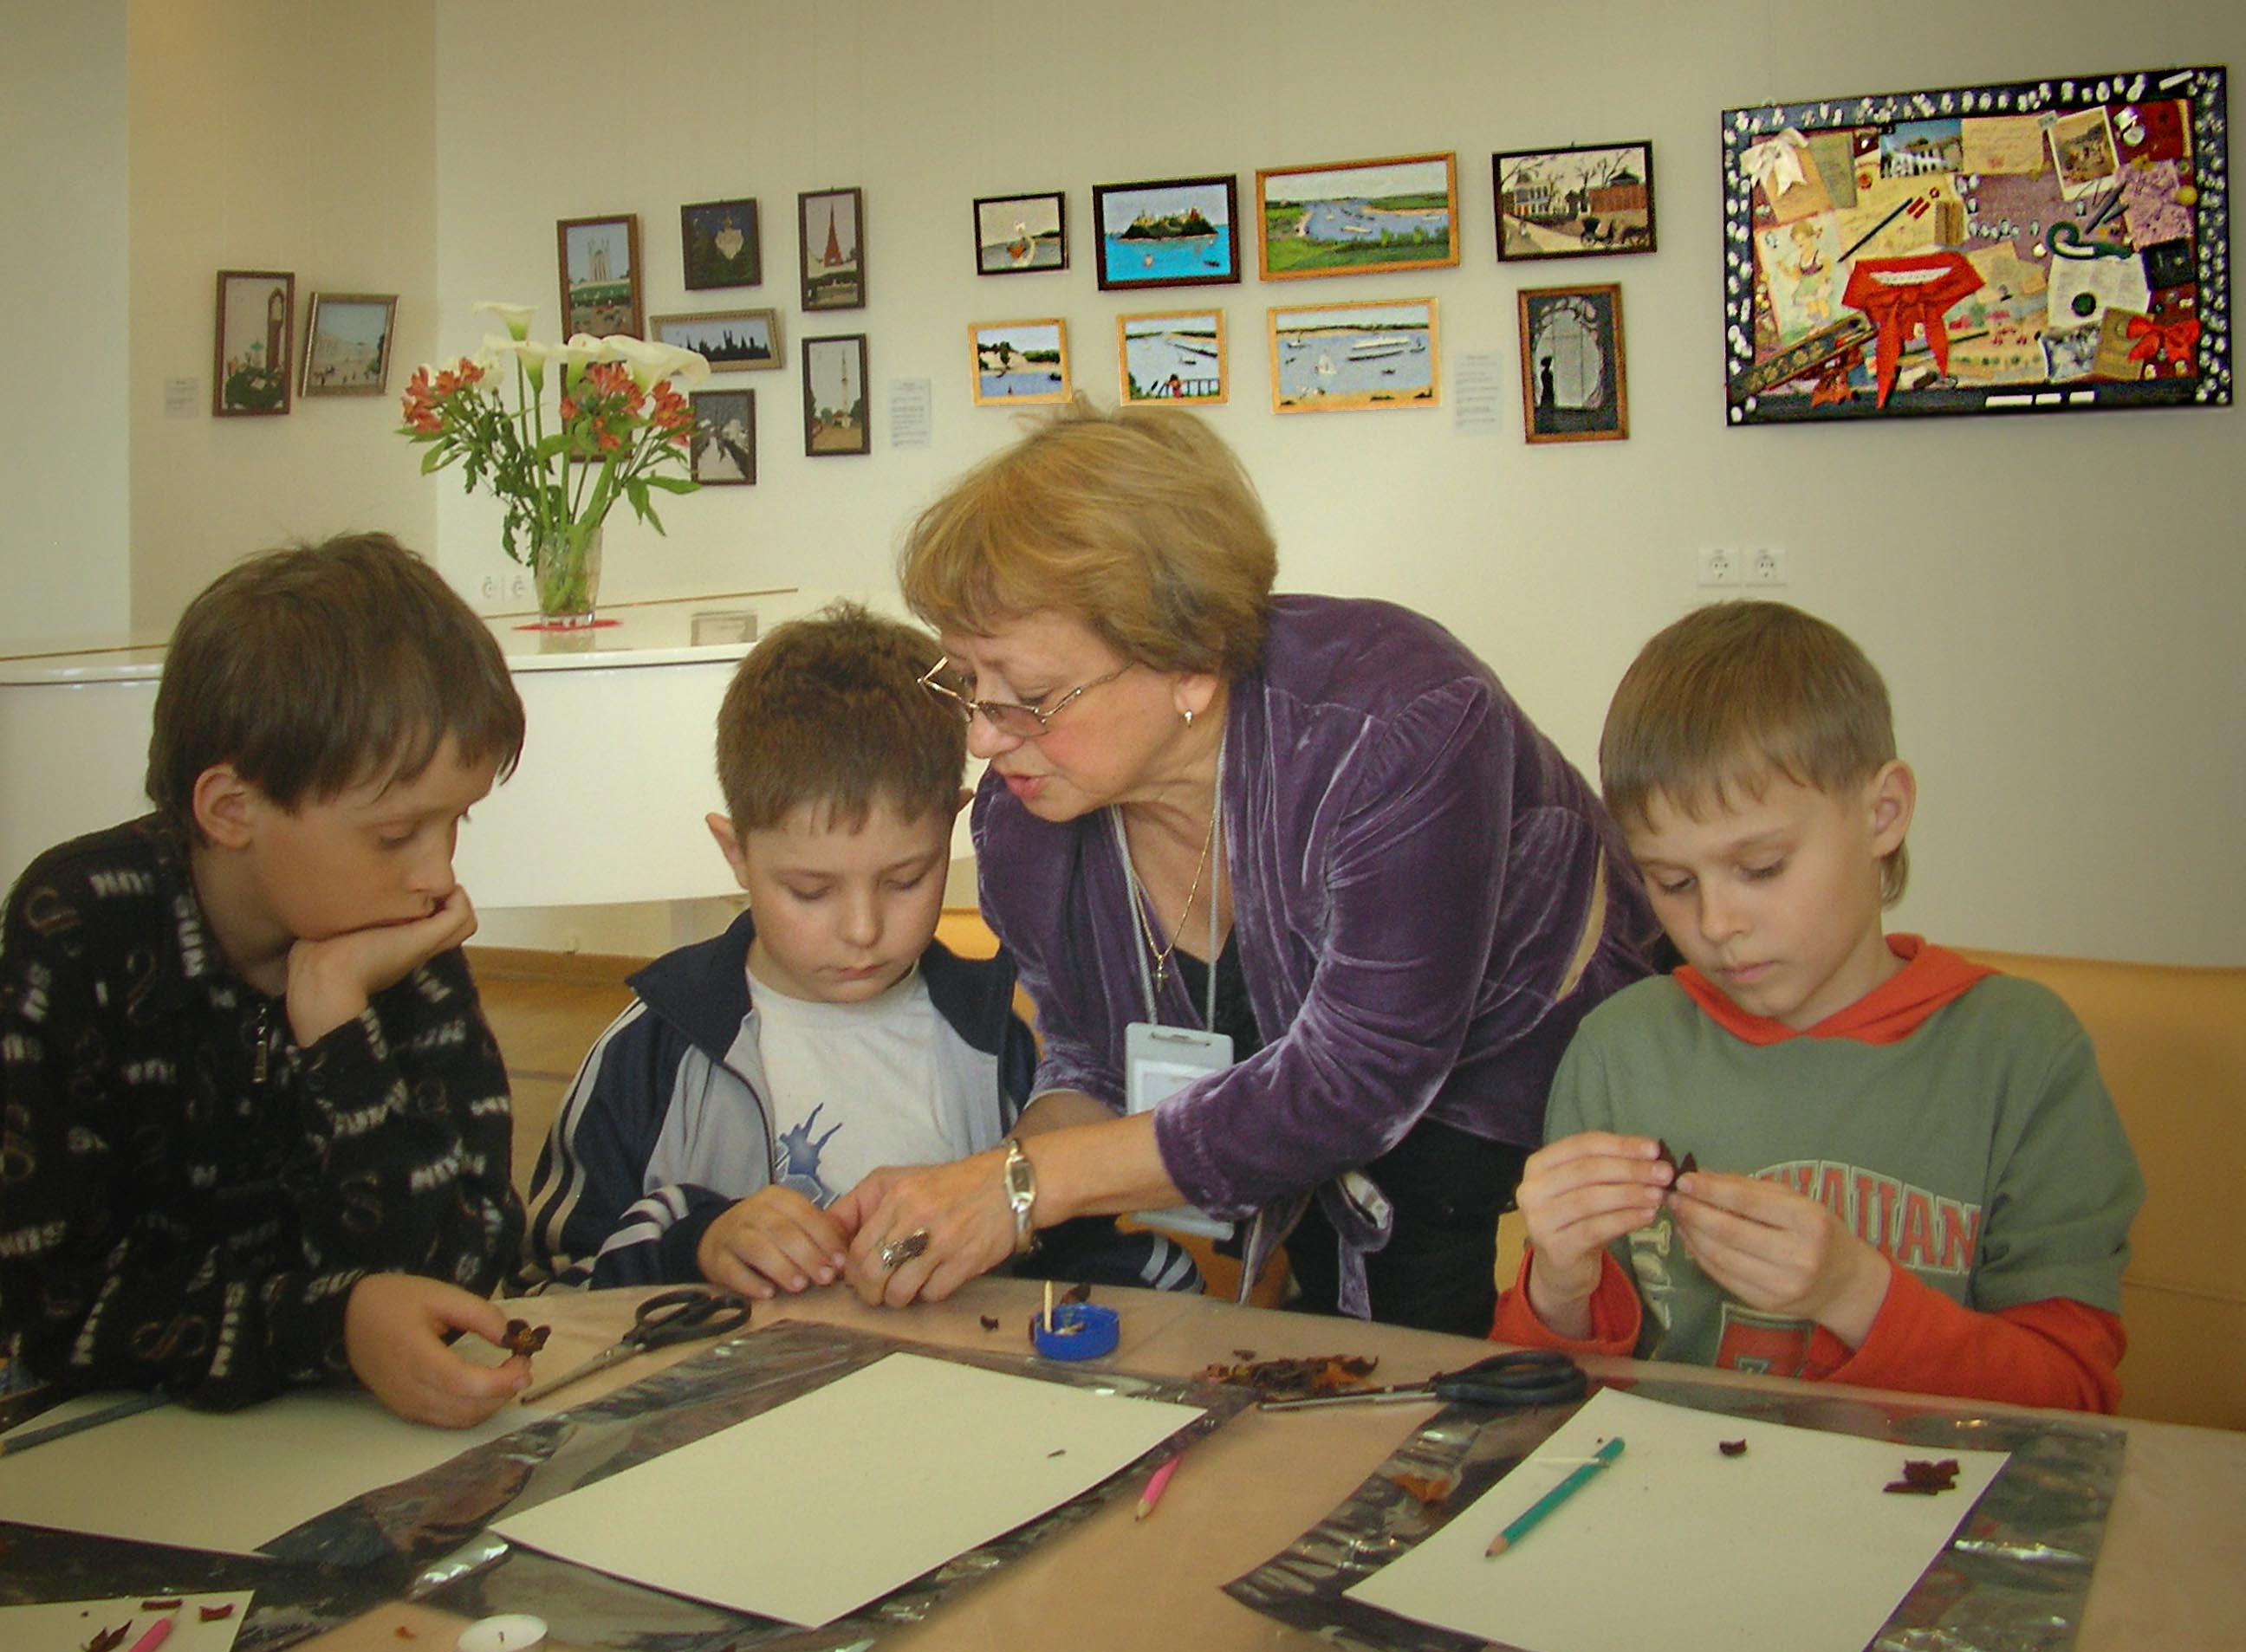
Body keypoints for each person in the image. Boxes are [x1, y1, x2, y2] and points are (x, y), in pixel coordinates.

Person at [831, 398, 1660, 1336]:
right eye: (964, 680)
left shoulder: (1400, 730)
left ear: (1193, 664)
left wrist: (1024, 1187)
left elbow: (1355, 1083)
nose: (983, 735)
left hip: (1530, 1080)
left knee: (1447, 1355)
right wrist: (978, 1203)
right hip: (1315, 1128)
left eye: (1027, 695)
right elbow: (1091, 1060)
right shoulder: (1024, 826)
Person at [1493, 600, 2144, 1411]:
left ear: (1883, 815)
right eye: (1673, 882)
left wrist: (1854, 1292)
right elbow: (1536, 1401)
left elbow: (2072, 1401)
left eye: (1761, 867)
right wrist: (1558, 1282)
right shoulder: (1619, 1049)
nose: (1719, 924)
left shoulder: (2020, 1053)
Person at [0, 534, 532, 1427]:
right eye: (397, 836)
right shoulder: (78, 926)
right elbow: (48, 1308)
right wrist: (334, 1322)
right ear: (231, 810)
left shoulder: (399, 946)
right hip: (106, 1450)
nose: (440, 876)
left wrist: (336, 1025)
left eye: (457, 822)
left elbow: (467, 1265)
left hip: (330, 1441)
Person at [522, 602, 1197, 1299]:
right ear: (736, 854)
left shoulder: (998, 1042)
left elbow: (1064, 1253)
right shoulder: (653, 1051)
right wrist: (698, 1243)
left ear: (954, 828)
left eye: (906, 880)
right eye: (811, 891)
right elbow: (549, 1294)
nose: (863, 929)